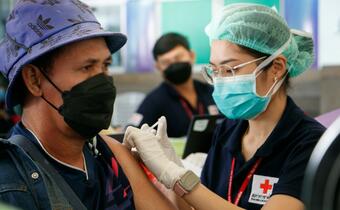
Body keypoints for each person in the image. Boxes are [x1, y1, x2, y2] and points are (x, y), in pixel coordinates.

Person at [123, 4, 326, 210]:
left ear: (276, 68)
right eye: (214, 70)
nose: (219, 81)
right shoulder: (228, 131)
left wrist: (180, 178)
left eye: (230, 69)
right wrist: (171, 172)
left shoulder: (310, 143)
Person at [0, 1, 175, 210]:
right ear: (35, 80)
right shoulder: (11, 183)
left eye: (106, 65)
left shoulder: (106, 153)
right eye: (87, 67)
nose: (102, 80)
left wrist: (173, 175)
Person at [129, 32, 218, 137]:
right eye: (166, 62)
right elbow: (131, 134)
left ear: (192, 56)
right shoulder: (154, 101)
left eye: (178, 58)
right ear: (158, 67)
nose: (174, 65)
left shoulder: (211, 92)